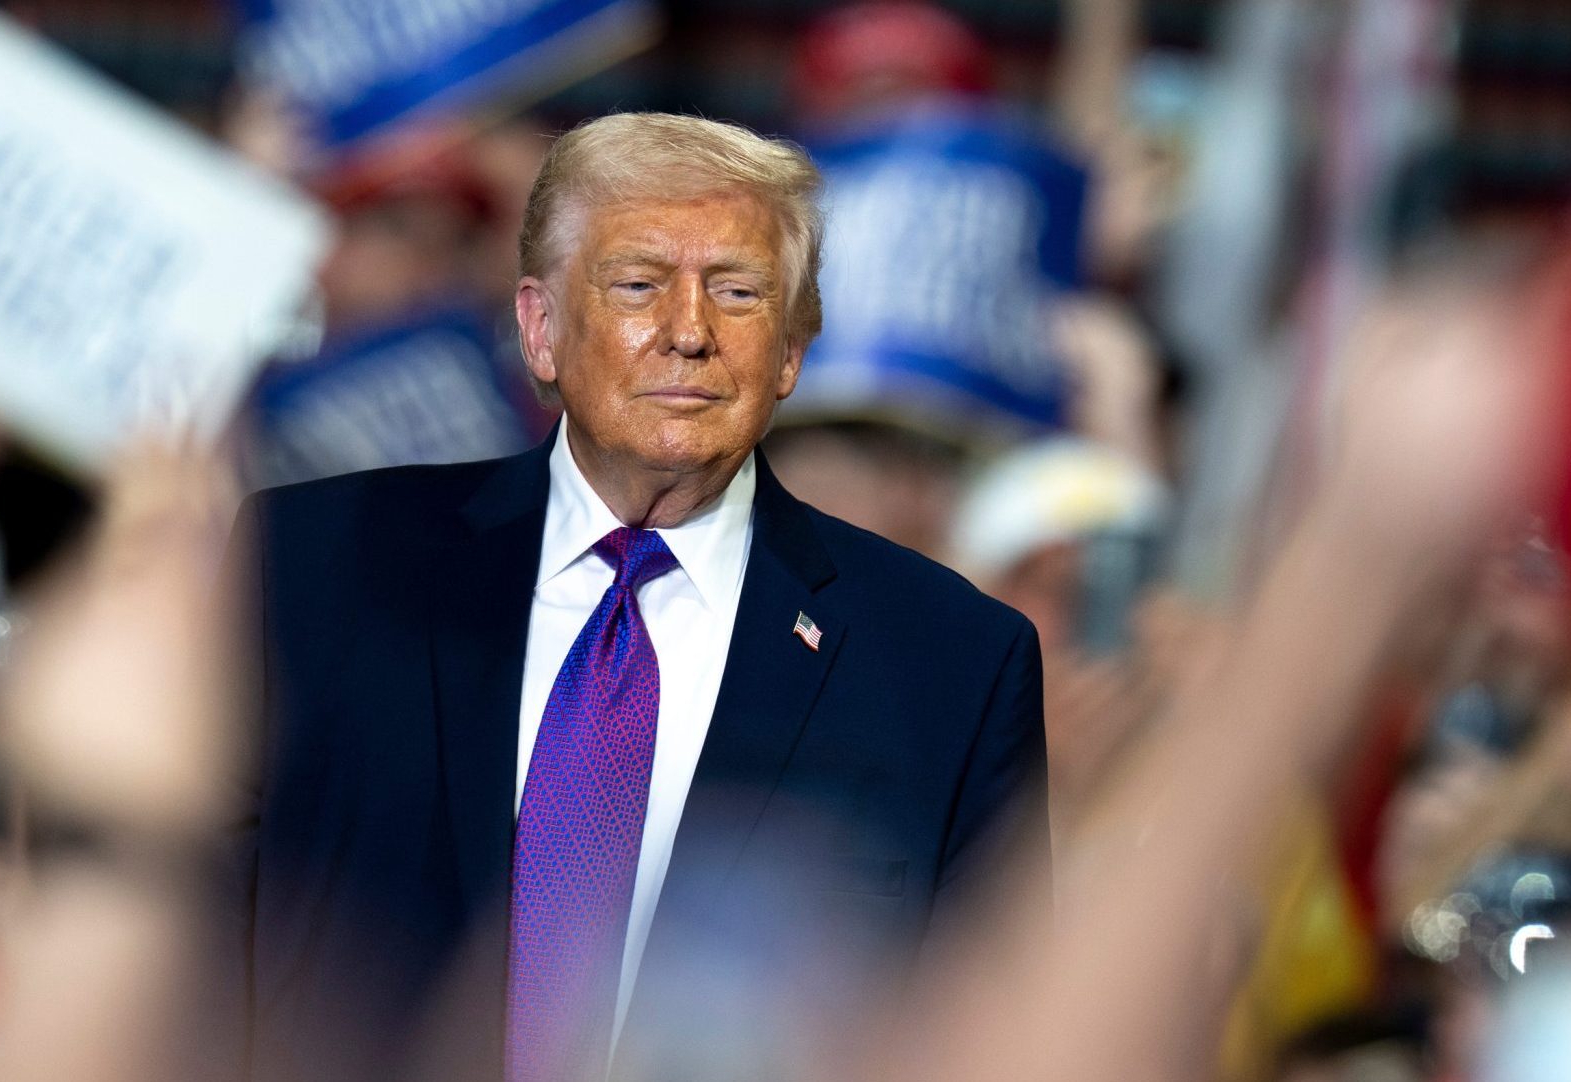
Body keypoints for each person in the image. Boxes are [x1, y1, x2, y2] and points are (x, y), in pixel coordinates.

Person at [211, 113, 1048, 1082]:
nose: (689, 332)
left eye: (738, 292)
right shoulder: (314, 565)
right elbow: (177, 937)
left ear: (790, 351)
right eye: (639, 285)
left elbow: (995, 1030)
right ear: (541, 326)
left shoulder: (952, 661)